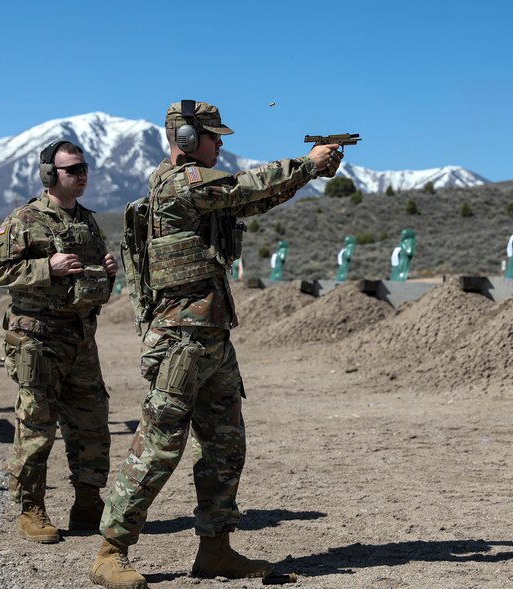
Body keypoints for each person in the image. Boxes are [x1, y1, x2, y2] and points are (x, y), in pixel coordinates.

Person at [89, 100, 341, 589]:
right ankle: (110, 551)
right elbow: (245, 186)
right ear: (185, 138)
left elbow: (250, 200)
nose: (221, 144)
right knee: (159, 446)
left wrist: (308, 175)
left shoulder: (202, 190)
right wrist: (305, 163)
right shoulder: (178, 183)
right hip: (180, 340)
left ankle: (215, 549)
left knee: (226, 447)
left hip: (210, 338)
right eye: (212, 136)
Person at [0, 140, 117, 544]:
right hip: (38, 340)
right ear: (49, 175)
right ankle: (31, 507)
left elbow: (86, 278)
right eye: (72, 170)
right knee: (37, 424)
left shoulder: (88, 221)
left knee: (91, 423)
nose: (81, 176)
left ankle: (88, 502)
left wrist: (107, 271)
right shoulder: (24, 219)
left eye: (84, 168)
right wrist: (46, 266)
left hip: (81, 338)